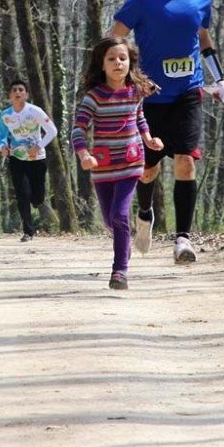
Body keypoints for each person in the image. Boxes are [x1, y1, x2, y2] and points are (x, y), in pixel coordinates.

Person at [109, 0, 224, 264]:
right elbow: (114, 38)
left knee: (185, 160)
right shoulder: (142, 0)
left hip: (188, 93)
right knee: (148, 172)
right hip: (150, 98)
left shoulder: (201, 0)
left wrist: (218, 78)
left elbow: (204, 41)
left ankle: (183, 239)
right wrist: (128, 74)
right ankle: (145, 214)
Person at [71, 37, 163, 290]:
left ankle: (119, 270)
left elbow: (139, 118)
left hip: (131, 162)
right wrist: (84, 155)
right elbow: (78, 129)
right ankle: (124, 243)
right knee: (110, 221)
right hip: (102, 166)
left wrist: (148, 138)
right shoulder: (94, 97)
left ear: (130, 62)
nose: (117, 63)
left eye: (122, 58)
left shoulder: (135, 91)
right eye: (111, 59)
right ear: (102, 64)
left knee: (119, 214)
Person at [0, 79, 58, 242]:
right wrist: (3, 147)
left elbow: (52, 131)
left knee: (37, 197)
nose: (17, 92)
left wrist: (39, 146)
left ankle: (36, 199)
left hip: (37, 158)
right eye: (14, 90)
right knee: (22, 194)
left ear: (26, 94)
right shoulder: (5, 116)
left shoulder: (35, 111)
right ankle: (28, 231)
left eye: (21, 90)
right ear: (10, 95)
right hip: (17, 158)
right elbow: (1, 136)